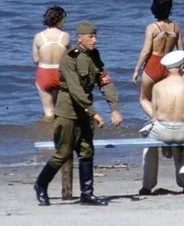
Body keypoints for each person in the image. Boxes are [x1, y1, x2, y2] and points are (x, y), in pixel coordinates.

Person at [33, 21, 123, 206]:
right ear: (79, 38)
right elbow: (75, 90)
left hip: (84, 113)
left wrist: (114, 108)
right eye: (91, 36)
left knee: (87, 151)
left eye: (95, 36)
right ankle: (41, 185)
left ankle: (87, 194)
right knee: (63, 153)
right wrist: (93, 112)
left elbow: (104, 81)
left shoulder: (94, 56)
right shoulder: (69, 59)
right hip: (68, 112)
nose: (95, 40)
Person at [139, 50, 184, 196]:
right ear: (182, 67)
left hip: (162, 130)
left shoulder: (158, 87)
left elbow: (155, 115)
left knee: (149, 146)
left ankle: (147, 186)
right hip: (183, 130)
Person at [132, 0, 184, 118]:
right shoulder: (176, 27)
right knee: (163, 99)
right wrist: (182, 68)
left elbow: (146, 51)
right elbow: (181, 51)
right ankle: (165, 120)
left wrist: (136, 70)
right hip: (169, 65)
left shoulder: (152, 28)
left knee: (144, 99)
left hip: (153, 64)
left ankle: (157, 121)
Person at [32, 6, 70, 120]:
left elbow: (36, 60)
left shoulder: (38, 37)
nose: (64, 22)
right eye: (64, 19)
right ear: (60, 20)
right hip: (60, 74)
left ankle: (48, 134)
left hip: (44, 74)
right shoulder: (65, 36)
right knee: (60, 109)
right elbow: (70, 58)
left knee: (49, 111)